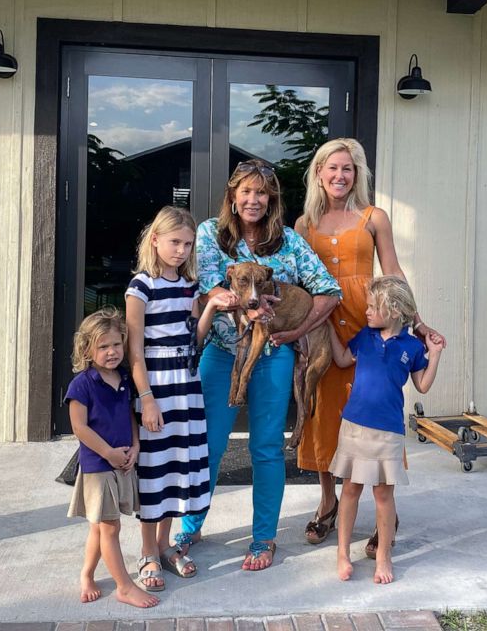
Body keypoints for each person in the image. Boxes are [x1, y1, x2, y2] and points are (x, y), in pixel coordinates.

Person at [175, 159, 342, 571]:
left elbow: (328, 290)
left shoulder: (287, 241)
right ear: (233, 196)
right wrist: (246, 308)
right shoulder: (210, 235)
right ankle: (190, 525)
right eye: (246, 192)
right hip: (222, 351)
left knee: (266, 447)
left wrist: (293, 330)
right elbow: (208, 285)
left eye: (262, 193)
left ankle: (263, 538)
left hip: (273, 356)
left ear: (271, 200)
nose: (254, 200)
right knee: (208, 445)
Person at [294, 138, 446, 554]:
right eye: (332, 168)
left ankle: (386, 511)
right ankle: (328, 501)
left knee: (373, 411)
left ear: (357, 174)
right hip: (323, 323)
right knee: (324, 411)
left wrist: (416, 320)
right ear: (319, 173)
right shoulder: (305, 223)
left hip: (368, 318)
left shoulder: (373, 216)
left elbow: (393, 271)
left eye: (348, 168)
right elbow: (296, 279)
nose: (340, 176)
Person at [125, 206, 230, 591]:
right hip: (156, 385)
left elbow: (195, 339)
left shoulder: (190, 287)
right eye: (174, 242)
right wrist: (146, 399)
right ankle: (148, 551)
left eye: (187, 244)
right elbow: (134, 351)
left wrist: (211, 307)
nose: (181, 250)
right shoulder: (141, 287)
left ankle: (167, 546)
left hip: (187, 386)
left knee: (175, 469)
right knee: (154, 472)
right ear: (155, 240)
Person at [327, 276, 443, 584]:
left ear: (393, 310)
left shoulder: (412, 347)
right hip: (354, 425)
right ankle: (342, 554)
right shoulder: (365, 337)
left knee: (383, 494)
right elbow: (341, 360)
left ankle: (383, 557)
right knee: (350, 488)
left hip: (388, 431)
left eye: (372, 307)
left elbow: (423, 384)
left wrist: (436, 355)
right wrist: (323, 322)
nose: (366, 311)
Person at [64, 307, 159, 608]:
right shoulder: (82, 384)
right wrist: (107, 452)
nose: (112, 351)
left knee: (99, 526)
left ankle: (87, 575)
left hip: (122, 462)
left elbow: (129, 417)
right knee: (110, 527)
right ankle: (124, 587)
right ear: (87, 349)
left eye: (117, 344)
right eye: (103, 346)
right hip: (98, 466)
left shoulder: (123, 379)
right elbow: (79, 427)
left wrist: (135, 446)